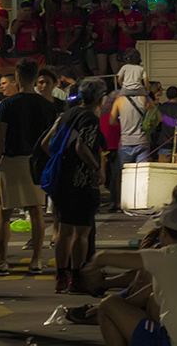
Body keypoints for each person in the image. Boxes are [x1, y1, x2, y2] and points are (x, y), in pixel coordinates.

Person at [90, 203, 177, 346]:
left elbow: (106, 258)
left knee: (107, 305)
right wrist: (124, 308)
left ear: (164, 232)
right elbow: (151, 292)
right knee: (154, 303)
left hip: (173, 343)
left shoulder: (165, 256)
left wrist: (92, 266)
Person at [0, 58, 57, 275]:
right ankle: (36, 259)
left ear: (17, 76)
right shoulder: (48, 106)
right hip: (36, 162)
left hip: (11, 161)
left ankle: (2, 261)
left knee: (4, 213)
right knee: (36, 210)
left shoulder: (7, 104)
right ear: (36, 78)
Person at [50, 80, 107, 293]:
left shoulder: (67, 114)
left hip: (62, 180)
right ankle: (76, 278)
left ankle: (60, 277)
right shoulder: (90, 118)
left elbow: (48, 143)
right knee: (82, 233)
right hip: (82, 181)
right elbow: (82, 146)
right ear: (100, 99)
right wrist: (96, 168)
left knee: (64, 231)